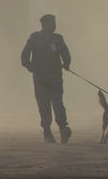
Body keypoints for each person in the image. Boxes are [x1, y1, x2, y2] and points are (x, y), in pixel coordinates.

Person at [21, 13, 72, 143]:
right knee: (44, 106)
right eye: (52, 23)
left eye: (55, 23)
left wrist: (66, 63)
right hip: (40, 78)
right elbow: (24, 56)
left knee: (58, 103)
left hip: (55, 77)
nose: (54, 25)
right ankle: (47, 132)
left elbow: (65, 53)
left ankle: (62, 128)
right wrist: (30, 66)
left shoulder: (58, 39)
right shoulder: (34, 38)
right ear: (44, 24)